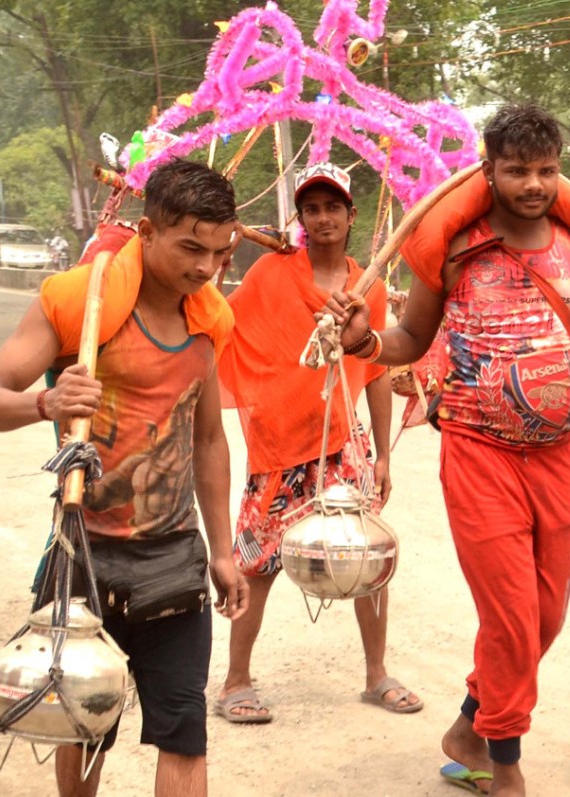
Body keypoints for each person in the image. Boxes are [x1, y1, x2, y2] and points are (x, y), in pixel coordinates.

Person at [325, 105, 570, 797]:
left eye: (546, 170)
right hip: (477, 451)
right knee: (513, 618)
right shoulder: (456, 244)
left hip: (559, 454)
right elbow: (410, 338)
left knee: (544, 617)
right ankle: (504, 763)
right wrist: (366, 343)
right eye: (517, 169)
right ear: (487, 169)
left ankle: (470, 725)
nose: (533, 183)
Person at [0, 158, 250, 797]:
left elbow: (207, 441)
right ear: (146, 232)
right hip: (84, 558)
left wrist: (224, 552)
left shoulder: (209, 321)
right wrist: (46, 402)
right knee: (83, 724)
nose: (205, 268)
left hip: (175, 558)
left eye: (219, 252)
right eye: (190, 248)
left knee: (185, 733)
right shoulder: (80, 306)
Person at [215, 162, 422, 722]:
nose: (323, 217)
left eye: (333, 207)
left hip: (343, 445)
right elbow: (222, 329)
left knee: (367, 556)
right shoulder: (270, 274)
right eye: (312, 209)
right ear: (300, 219)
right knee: (256, 566)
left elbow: (376, 369)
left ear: (352, 216)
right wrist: (218, 259)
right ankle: (236, 681)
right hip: (278, 445)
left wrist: (381, 455)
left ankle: (376, 674)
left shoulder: (368, 285)